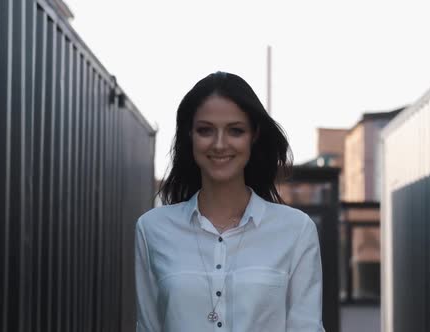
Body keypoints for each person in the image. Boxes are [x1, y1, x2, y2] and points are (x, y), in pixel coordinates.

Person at [135, 71, 325, 332]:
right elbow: (148, 327)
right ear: (190, 135)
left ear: (253, 136)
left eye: (235, 131)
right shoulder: (152, 229)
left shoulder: (296, 230)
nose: (220, 144)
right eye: (205, 130)